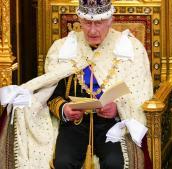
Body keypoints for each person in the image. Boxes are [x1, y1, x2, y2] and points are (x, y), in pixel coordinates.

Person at [0, 0, 153, 169]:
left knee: (115, 163)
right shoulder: (63, 48)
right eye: (87, 22)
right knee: (62, 163)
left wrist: (117, 108)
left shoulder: (130, 48)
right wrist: (64, 110)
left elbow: (140, 94)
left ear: (110, 20)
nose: (92, 30)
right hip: (74, 125)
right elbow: (50, 96)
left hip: (112, 126)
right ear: (79, 20)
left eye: (99, 23)